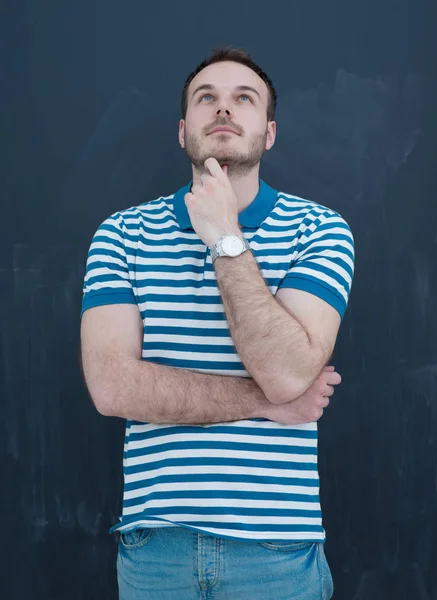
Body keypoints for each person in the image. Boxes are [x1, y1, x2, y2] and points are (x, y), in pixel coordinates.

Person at [80, 46, 355, 600]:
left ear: (269, 132)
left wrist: (226, 239)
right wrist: (265, 404)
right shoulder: (121, 235)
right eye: (207, 99)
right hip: (156, 550)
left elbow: (284, 371)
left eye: (243, 99)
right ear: (183, 131)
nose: (223, 109)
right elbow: (112, 388)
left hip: (276, 552)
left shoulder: (320, 230)